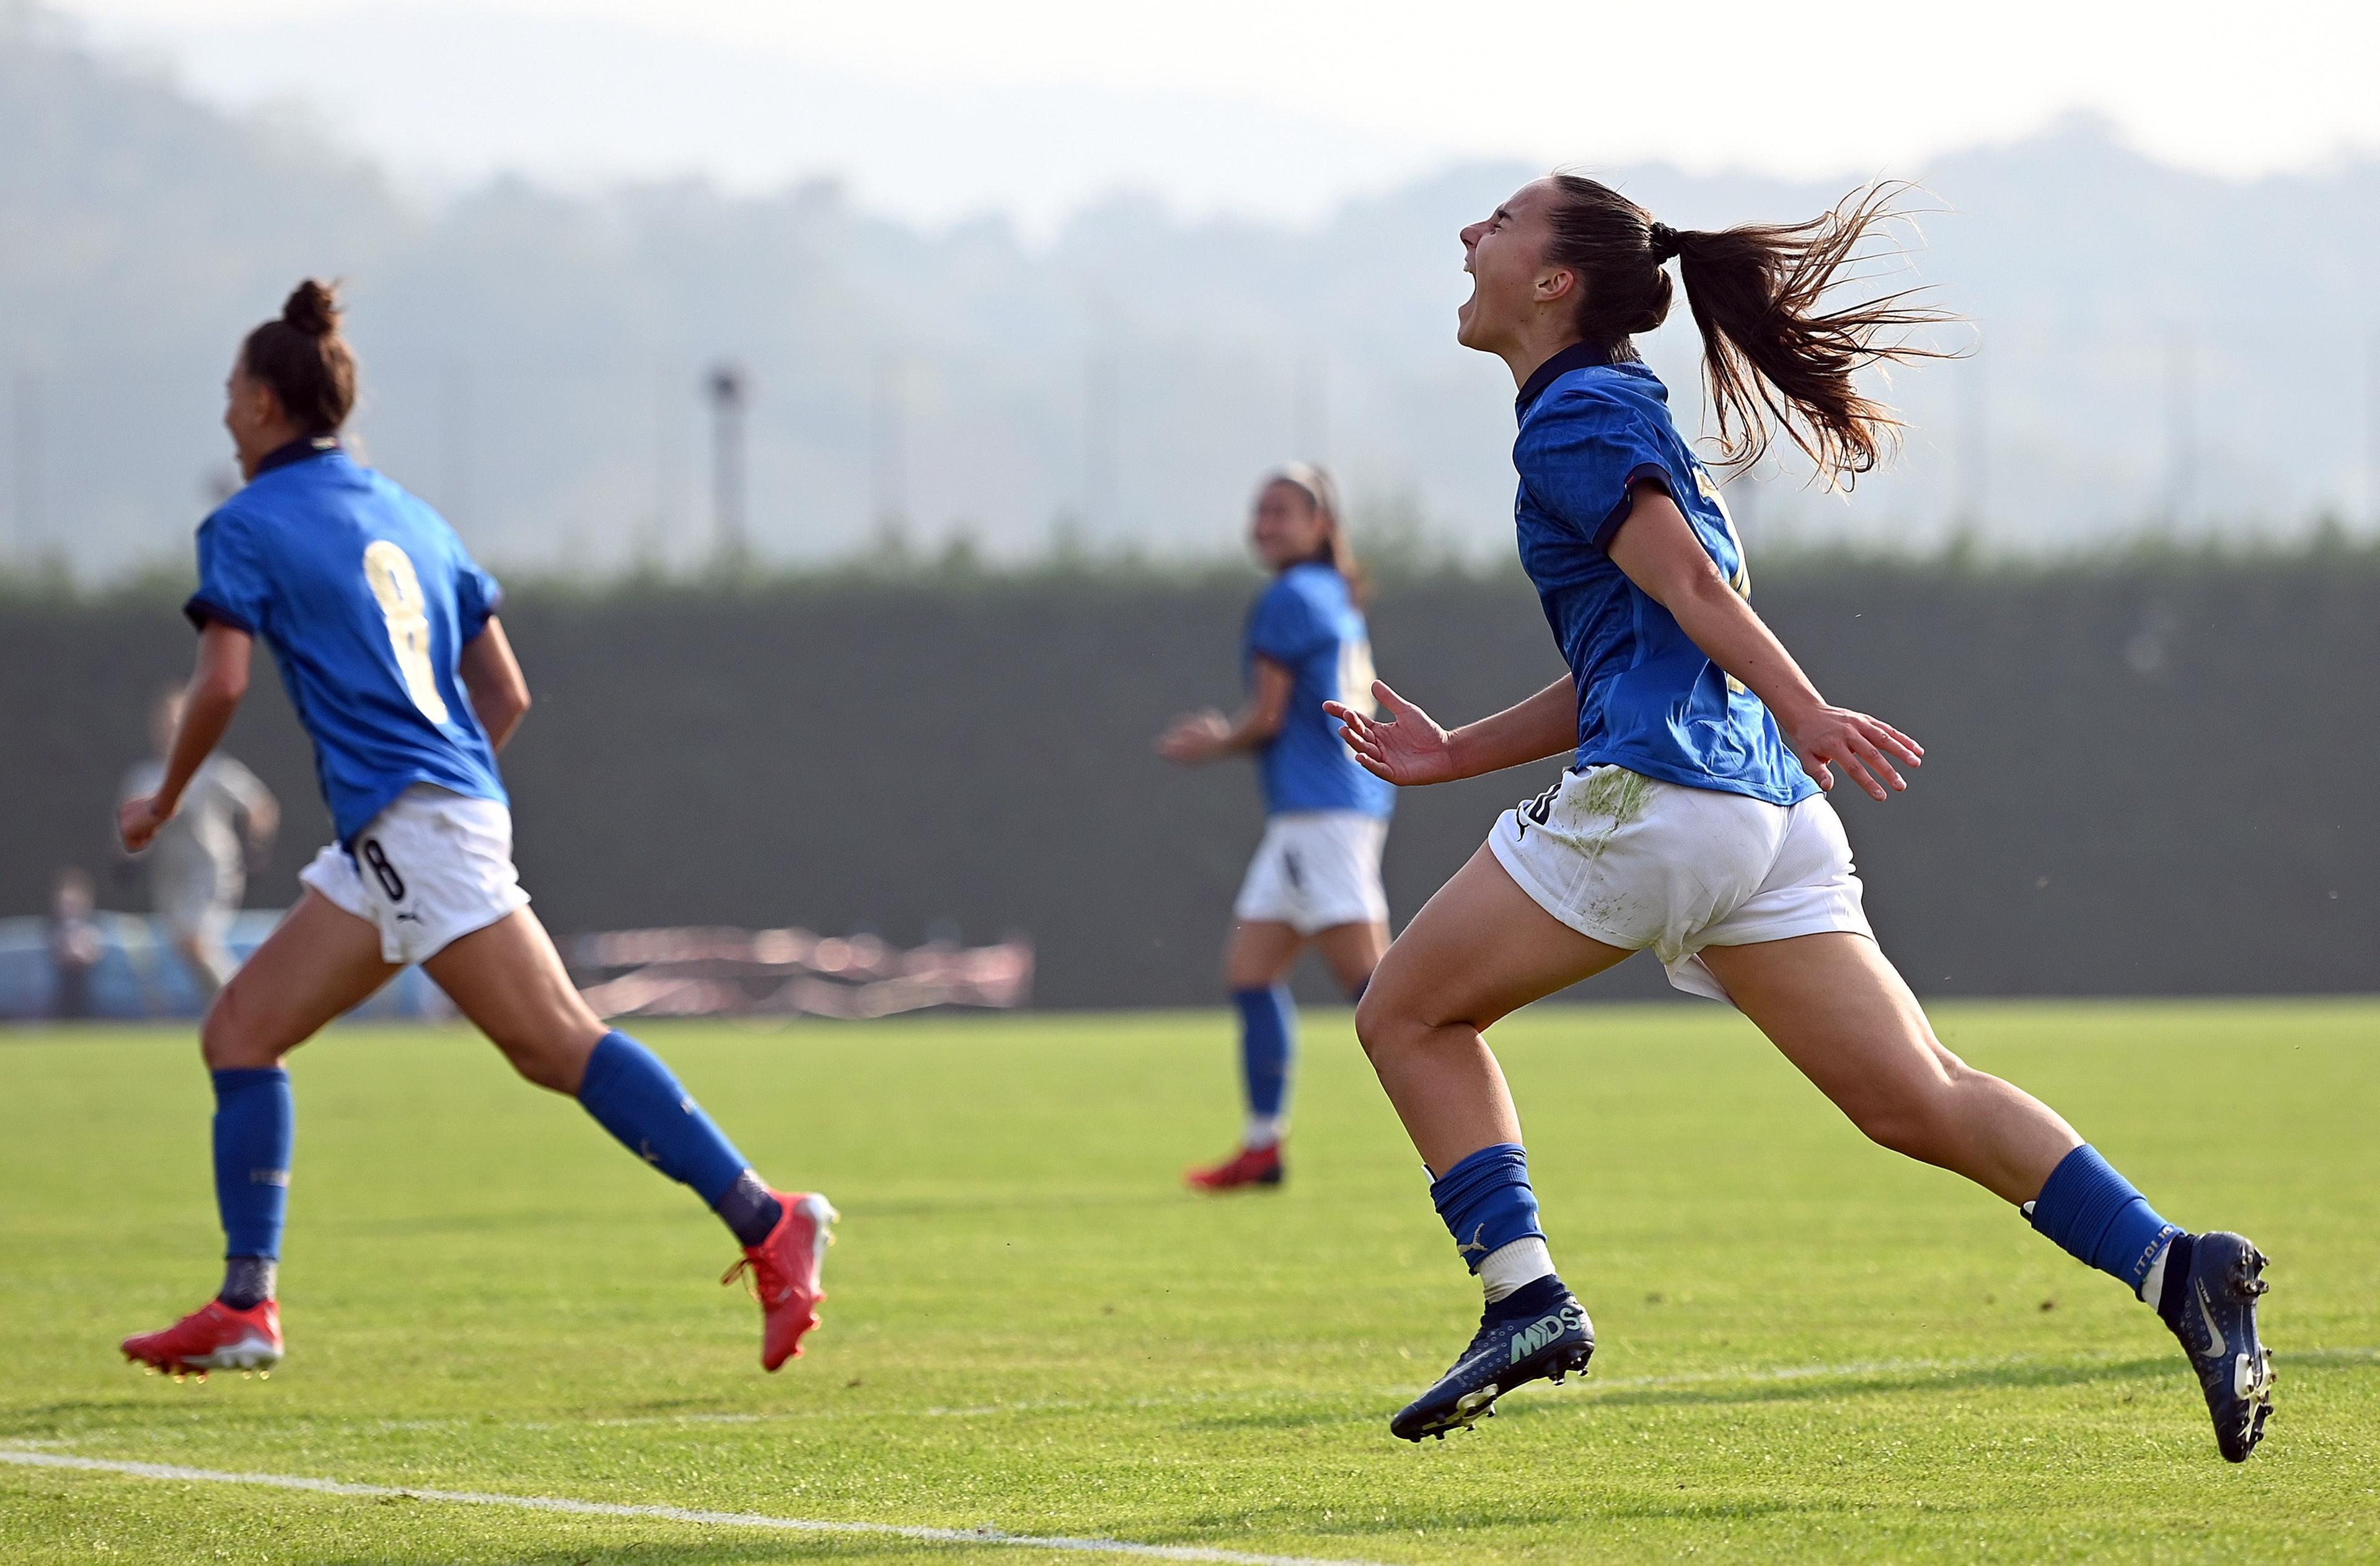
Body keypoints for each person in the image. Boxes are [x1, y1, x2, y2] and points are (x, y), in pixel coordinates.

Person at [1325, 177, 2273, 1461]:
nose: (1467, 236)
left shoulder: (1572, 416)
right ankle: (2177, 1265)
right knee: (1918, 1097)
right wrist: (1458, 753)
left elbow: (1693, 586)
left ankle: (1526, 1295)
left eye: (1497, 221)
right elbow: (1650, 634)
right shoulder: (1622, 410)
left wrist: (1812, 703)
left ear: (1556, 282)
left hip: (1668, 803)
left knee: (1406, 1012)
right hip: (1763, 817)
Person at [116, 281, 834, 1379]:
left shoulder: (247, 522)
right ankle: (247, 1307)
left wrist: (165, 797)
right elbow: (504, 693)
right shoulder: (414, 515)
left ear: (265, 403)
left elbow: (219, 681)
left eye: (229, 395)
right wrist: (443, 797)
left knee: (556, 1044)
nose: (223, 414)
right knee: (240, 1032)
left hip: (414, 825)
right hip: (410, 825)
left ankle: (767, 1217)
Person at [1158, 464, 1394, 1190]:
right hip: (1327, 808)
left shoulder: (1289, 596)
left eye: (1282, 512)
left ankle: (1466, 1124)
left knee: (1387, 992)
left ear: (1321, 525)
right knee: (1252, 971)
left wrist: (1213, 742)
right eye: (1259, 511)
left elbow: (1265, 717)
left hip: (1321, 813)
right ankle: (1263, 1147)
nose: (1264, 524)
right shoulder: (1331, 594)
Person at [121, 687, 278, 1007]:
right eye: (163, 722)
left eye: (176, 722)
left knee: (197, 942)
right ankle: (232, 1008)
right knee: (188, 948)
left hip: (210, 871)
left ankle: (250, 1005)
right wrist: (125, 858)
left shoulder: (212, 769)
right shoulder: (143, 778)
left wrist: (256, 846)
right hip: (170, 876)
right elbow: (126, 829)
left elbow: (261, 805)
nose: (168, 729)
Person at [46, 868, 105, 1020]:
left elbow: (95, 952)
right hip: (62, 986)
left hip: (89, 986)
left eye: (73, 903)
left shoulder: (94, 928)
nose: (70, 908)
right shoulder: (53, 930)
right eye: (67, 904)